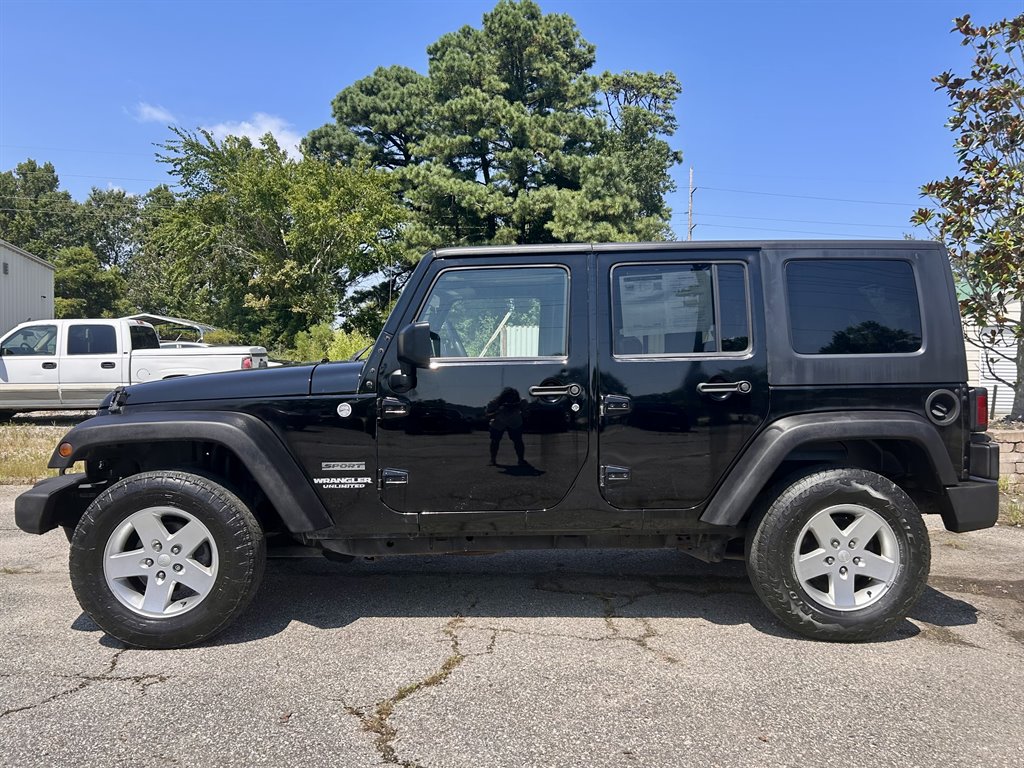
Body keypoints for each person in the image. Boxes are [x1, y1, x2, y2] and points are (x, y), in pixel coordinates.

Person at [486, 387, 527, 466]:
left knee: (518, 441)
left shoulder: (522, 401)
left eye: (513, 399)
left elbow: (526, 415)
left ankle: (521, 459)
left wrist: (522, 410)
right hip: (498, 422)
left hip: (515, 422)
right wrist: (498, 411)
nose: (511, 401)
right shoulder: (494, 402)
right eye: (508, 399)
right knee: (495, 441)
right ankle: (493, 459)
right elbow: (487, 416)